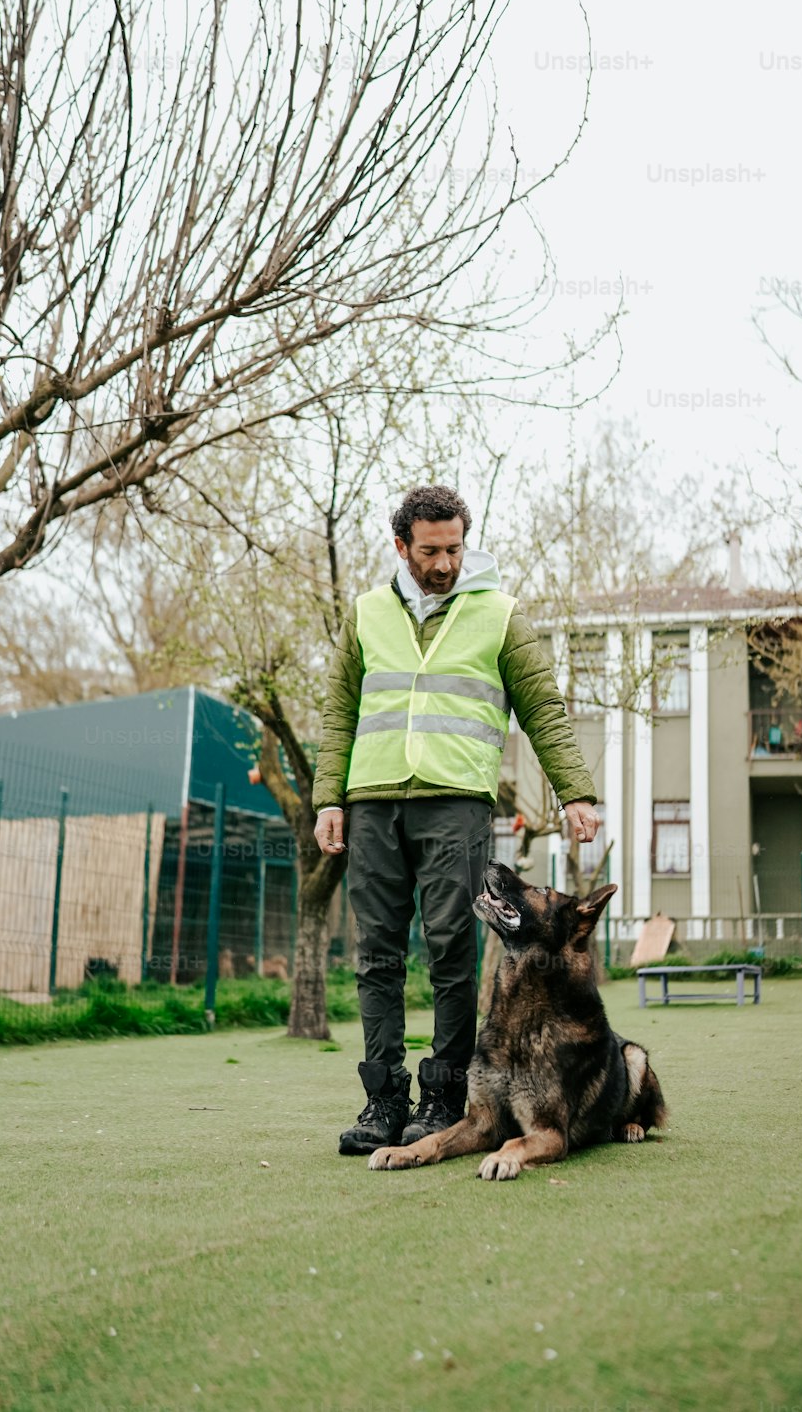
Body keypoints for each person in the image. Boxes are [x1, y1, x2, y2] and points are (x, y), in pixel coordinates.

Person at [312, 484, 600, 1155]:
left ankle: (442, 1095)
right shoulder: (366, 614)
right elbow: (338, 713)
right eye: (431, 550)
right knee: (378, 952)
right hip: (372, 800)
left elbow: (542, 707)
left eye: (454, 548)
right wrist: (330, 797)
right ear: (401, 546)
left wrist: (575, 792)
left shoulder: (498, 614)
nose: (444, 563)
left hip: (457, 800)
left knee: (451, 950)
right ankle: (383, 1099)